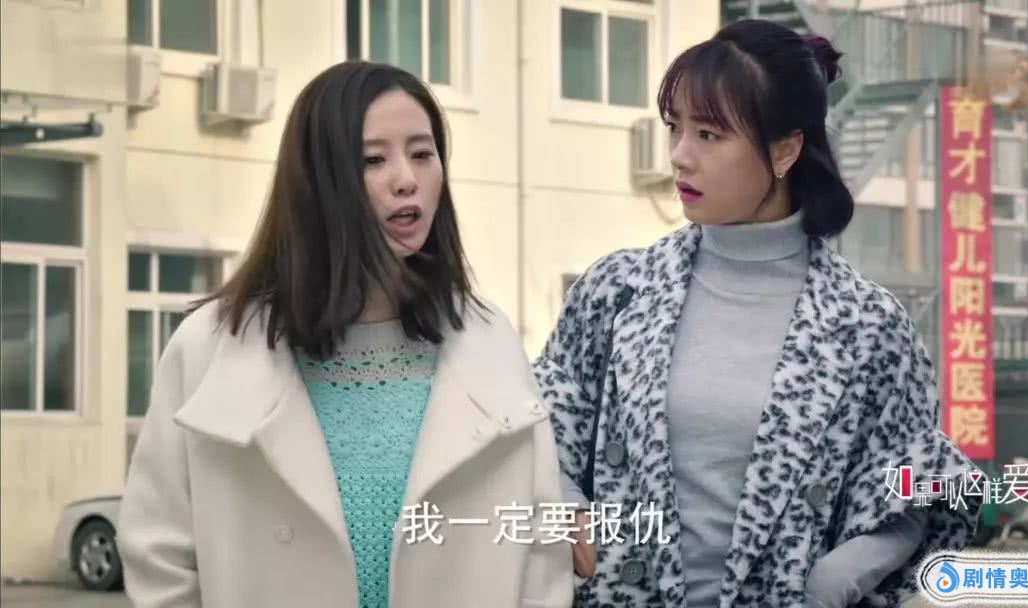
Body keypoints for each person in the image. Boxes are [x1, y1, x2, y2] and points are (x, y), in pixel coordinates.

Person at [534, 20, 981, 608]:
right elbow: (540, 425)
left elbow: (916, 485)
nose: (680, 156)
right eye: (675, 128)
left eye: (709, 134)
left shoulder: (869, 326)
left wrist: (834, 580)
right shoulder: (617, 291)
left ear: (785, 150)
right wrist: (567, 506)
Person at [119, 61, 572, 608]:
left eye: (422, 154)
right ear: (317, 182)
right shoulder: (209, 347)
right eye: (373, 160)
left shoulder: (488, 337)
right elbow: (159, 554)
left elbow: (541, 545)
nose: (406, 179)